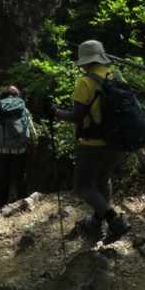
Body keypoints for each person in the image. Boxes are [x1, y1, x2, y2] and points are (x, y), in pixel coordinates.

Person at [50, 40, 132, 244]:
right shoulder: (118, 76)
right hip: (118, 141)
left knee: (84, 185)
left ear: (85, 61)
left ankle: (114, 220)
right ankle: (96, 223)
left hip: (93, 145)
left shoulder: (85, 83)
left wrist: (56, 112)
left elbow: (77, 116)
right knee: (103, 180)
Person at [0, 85, 39, 211]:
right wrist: (34, 142)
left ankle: (1, 206)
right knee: (20, 175)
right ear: (18, 95)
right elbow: (31, 127)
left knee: (3, 176)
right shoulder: (23, 109)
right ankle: (22, 203)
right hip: (21, 148)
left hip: (2, 149)